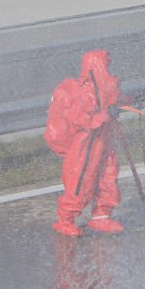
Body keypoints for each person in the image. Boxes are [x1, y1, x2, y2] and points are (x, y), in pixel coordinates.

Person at [45, 49, 125, 237]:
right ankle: (65, 219)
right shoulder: (84, 90)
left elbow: (110, 101)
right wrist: (105, 116)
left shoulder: (103, 87)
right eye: (106, 64)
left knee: (108, 175)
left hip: (103, 140)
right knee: (81, 180)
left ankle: (101, 216)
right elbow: (80, 119)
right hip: (85, 145)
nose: (109, 67)